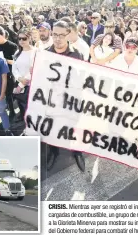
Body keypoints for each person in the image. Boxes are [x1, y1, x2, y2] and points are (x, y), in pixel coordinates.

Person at [44, 20, 86, 172]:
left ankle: (77, 152)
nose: (57, 38)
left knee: (73, 127)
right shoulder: (46, 54)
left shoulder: (77, 54)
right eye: (55, 34)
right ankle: (54, 153)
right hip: (53, 100)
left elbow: (82, 78)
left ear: (68, 35)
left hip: (72, 100)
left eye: (61, 35)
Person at [0, 26, 18, 121]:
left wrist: (4, 60)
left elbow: (16, 62)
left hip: (9, 73)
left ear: (3, 35)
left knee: (9, 94)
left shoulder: (12, 46)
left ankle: (12, 110)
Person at [12, 28, 35, 119]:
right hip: (20, 84)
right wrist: (19, 79)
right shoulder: (17, 52)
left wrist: (21, 84)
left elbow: (32, 70)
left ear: (30, 38)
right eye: (19, 38)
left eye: (24, 38)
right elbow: (14, 68)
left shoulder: (36, 51)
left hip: (31, 86)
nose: (21, 41)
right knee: (22, 105)